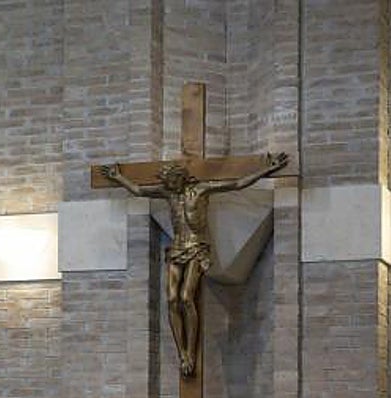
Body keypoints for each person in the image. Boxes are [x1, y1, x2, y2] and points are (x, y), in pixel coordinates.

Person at [101, 151, 289, 377]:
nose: (170, 185)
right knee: (171, 299)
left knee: (185, 297)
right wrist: (118, 177)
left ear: (181, 177)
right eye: (167, 182)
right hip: (177, 249)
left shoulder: (200, 189)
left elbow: (238, 183)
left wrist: (267, 170)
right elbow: (140, 190)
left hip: (198, 247)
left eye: (173, 180)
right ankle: (183, 353)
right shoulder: (168, 194)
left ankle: (190, 349)